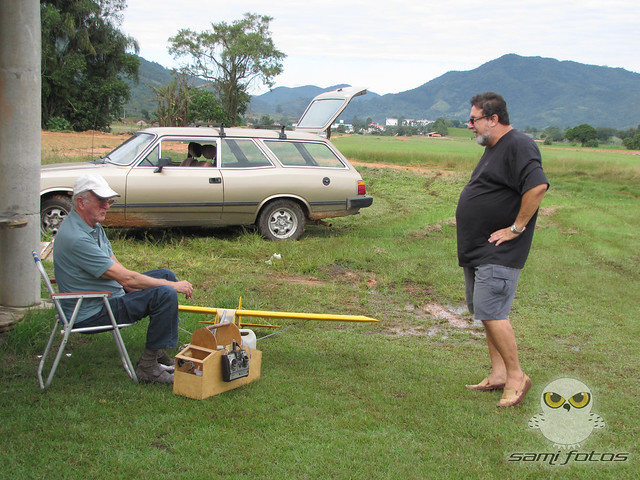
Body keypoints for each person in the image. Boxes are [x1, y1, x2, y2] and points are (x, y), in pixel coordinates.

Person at [53, 174, 194, 384]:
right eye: (101, 200)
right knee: (165, 292)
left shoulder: (91, 225)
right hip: (91, 309)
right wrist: (169, 286)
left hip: (105, 295)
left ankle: (157, 353)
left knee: (165, 275)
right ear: (81, 202)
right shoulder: (77, 238)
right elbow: (126, 278)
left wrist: (135, 285)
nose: (107, 206)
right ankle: (148, 367)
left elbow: (118, 268)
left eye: (108, 200)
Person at [456, 92, 549, 408]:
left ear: (493, 119)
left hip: (499, 251)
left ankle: (516, 376)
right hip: (479, 248)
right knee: (484, 311)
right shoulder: (494, 148)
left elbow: (537, 186)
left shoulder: (519, 145)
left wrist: (515, 228)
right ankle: (498, 374)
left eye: (473, 119)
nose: (469, 125)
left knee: (493, 311)